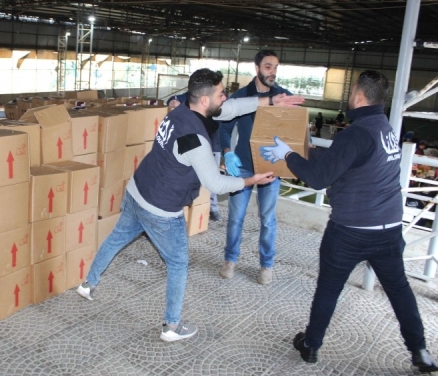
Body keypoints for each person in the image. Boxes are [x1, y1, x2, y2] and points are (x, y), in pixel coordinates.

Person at [77, 68, 304, 343]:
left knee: (116, 238)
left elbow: (231, 109)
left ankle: (87, 284)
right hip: (161, 209)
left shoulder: (182, 108)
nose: (225, 97)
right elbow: (216, 184)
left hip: (137, 190)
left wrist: (270, 101)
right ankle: (171, 326)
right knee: (178, 263)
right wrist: (250, 180)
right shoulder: (195, 138)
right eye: (221, 94)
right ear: (205, 100)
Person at [259, 70, 438, 372]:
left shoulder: (356, 133)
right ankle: (420, 350)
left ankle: (311, 345)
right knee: (399, 290)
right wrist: (306, 151)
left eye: (352, 90)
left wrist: (288, 155)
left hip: (351, 230)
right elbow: (344, 161)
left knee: (329, 288)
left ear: (359, 95)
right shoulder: (384, 128)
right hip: (388, 230)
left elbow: (318, 178)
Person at [218, 49, 294, 285]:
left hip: (271, 167)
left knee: (268, 219)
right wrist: (227, 152)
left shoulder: (283, 96)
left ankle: (266, 265)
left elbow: (295, 127)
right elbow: (224, 128)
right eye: (268, 67)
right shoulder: (241, 96)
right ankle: (230, 260)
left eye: (276, 67)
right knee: (235, 217)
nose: (273, 72)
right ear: (257, 68)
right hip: (242, 166)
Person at [167, 92, 222, 222]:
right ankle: (191, 208)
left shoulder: (217, 98)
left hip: (212, 146)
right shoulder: (193, 95)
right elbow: (176, 98)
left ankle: (213, 208)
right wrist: (172, 101)